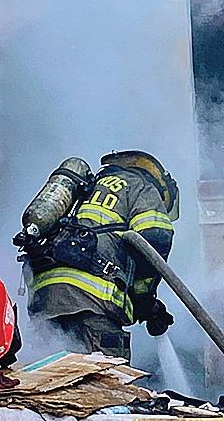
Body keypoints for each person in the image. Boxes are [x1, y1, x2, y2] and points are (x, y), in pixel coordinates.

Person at [24, 150, 178, 361]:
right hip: (92, 302)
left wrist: (149, 309)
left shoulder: (86, 188)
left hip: (46, 301)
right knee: (104, 377)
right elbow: (154, 239)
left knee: (51, 376)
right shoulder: (142, 186)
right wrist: (145, 302)